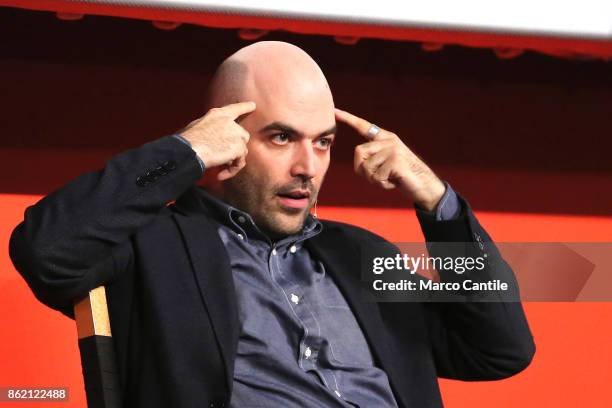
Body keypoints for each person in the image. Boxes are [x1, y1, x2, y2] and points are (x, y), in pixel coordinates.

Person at [9, 41, 534, 408]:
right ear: (228, 135)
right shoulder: (154, 246)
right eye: (282, 137)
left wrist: (436, 200)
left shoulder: (360, 255)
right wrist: (185, 151)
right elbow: (45, 248)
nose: (308, 166)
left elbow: (498, 348)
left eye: (323, 141)